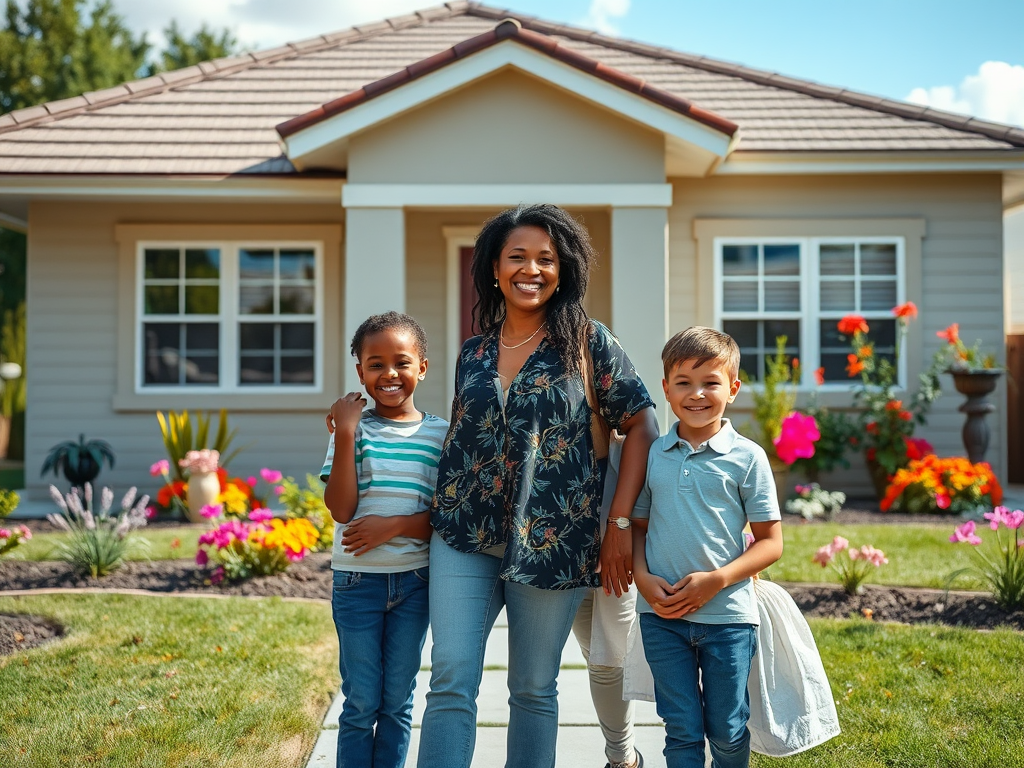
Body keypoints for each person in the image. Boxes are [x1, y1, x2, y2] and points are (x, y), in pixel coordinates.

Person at [417, 204, 659, 768]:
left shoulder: (589, 342)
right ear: (495, 269)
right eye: (517, 257)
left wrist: (619, 522)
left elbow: (643, 424)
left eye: (546, 258)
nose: (532, 269)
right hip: (463, 533)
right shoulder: (473, 352)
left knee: (532, 687)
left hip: (555, 539)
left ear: (564, 267)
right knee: (451, 676)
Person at [630, 326, 784, 768]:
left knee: (728, 729)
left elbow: (771, 543)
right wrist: (641, 577)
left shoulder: (748, 457)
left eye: (710, 383)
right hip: (663, 618)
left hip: (728, 619)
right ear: (666, 389)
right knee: (680, 729)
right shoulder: (656, 453)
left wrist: (716, 580)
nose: (696, 394)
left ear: (733, 389)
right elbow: (638, 526)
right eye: (683, 383)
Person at [321, 311, 449, 768]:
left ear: (423, 367)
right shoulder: (350, 433)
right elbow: (340, 509)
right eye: (375, 364)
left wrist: (393, 526)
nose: (389, 374)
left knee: (397, 701)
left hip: (414, 583)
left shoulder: (440, 434)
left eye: (401, 362)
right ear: (360, 372)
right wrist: (349, 431)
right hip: (357, 583)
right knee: (359, 703)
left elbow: (444, 516)